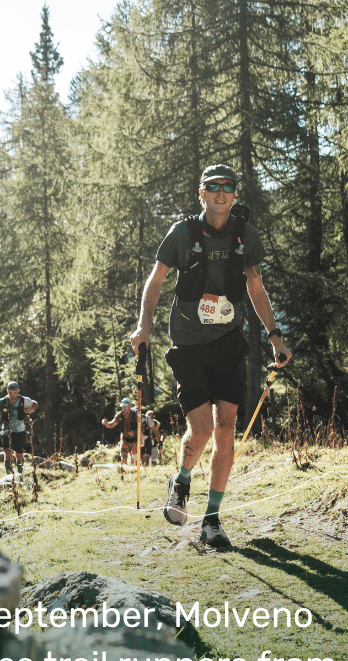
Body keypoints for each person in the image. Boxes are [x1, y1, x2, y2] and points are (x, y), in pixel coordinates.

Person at [130, 164, 291, 551]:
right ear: (200, 193)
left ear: (235, 194)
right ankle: (181, 479)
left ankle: (212, 520)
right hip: (187, 341)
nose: (221, 193)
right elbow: (155, 280)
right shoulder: (182, 233)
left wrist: (275, 337)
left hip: (227, 341)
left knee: (226, 430)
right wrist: (143, 326)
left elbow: (255, 286)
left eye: (228, 187)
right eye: (213, 187)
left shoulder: (245, 236)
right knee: (200, 430)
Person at [0, 381, 38, 477]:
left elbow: (35, 404)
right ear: (7, 391)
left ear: (18, 391)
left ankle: (20, 474)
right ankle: (9, 476)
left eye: (15, 393)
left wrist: (31, 409)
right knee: (7, 452)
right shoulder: (2, 401)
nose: (13, 395)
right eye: (10, 393)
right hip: (6, 430)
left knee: (19, 454)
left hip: (20, 430)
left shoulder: (24, 400)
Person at [102, 397, 138, 465]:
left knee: (134, 459)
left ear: (130, 406)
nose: (123, 408)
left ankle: (133, 471)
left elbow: (142, 427)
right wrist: (105, 423)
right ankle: (123, 471)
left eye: (125, 406)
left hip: (135, 439)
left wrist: (134, 432)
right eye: (122, 406)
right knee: (123, 456)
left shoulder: (135, 414)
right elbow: (112, 424)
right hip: (124, 438)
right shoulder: (119, 415)